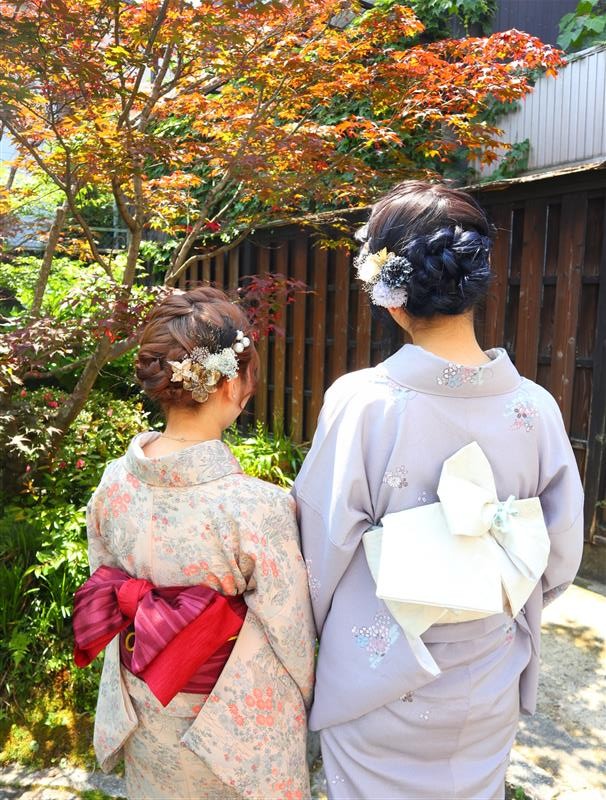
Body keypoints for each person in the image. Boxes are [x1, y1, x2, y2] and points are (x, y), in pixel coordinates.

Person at [292, 181, 584, 800]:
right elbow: (558, 556)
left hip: (381, 678)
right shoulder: (535, 409)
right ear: (475, 283)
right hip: (489, 676)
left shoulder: (363, 402)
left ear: (390, 296)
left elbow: (321, 548)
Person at [73, 287, 316, 800]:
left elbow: (105, 583)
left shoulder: (114, 482)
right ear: (230, 382)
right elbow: (292, 636)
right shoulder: (257, 506)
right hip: (232, 723)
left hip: (145, 706)